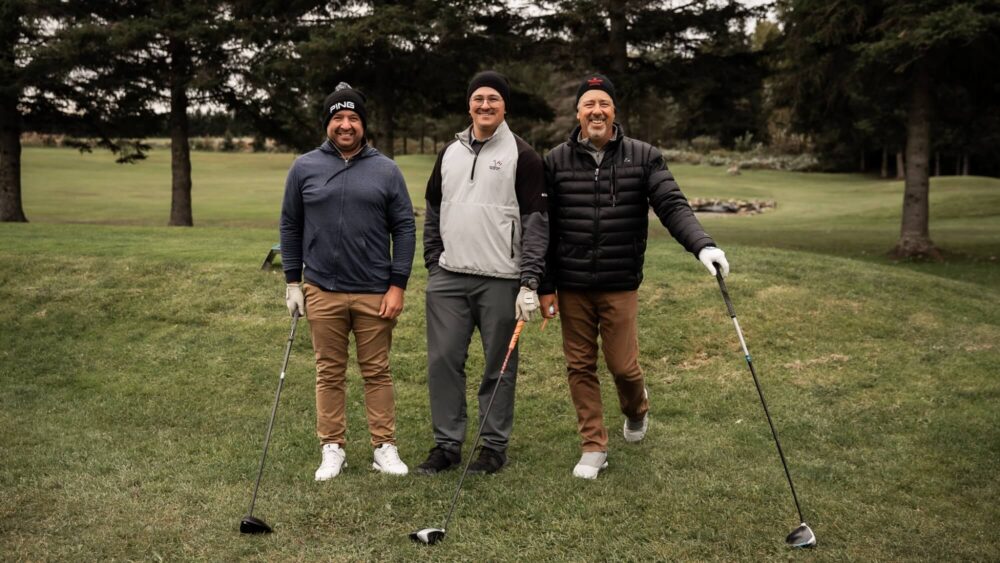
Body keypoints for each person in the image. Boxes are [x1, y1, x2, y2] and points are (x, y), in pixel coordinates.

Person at [538, 73, 730, 479]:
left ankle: (637, 408)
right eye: (589, 104)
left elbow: (672, 204)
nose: (596, 111)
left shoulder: (642, 156)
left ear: (614, 112)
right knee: (579, 365)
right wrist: (543, 283)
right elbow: (543, 226)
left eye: (603, 104)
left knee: (623, 367)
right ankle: (594, 445)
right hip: (572, 284)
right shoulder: (555, 160)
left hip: (619, 281)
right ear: (577, 113)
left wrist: (702, 245)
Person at [279, 82, 416, 480]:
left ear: (363, 124)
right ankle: (332, 446)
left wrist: (398, 285)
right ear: (327, 123)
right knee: (329, 371)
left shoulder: (386, 170)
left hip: (375, 290)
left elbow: (404, 229)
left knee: (377, 371)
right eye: (338, 117)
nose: (345, 124)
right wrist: (293, 282)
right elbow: (290, 224)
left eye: (353, 117)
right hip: (322, 288)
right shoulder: (304, 167)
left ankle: (383, 446)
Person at [416, 70, 549, 475]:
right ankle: (447, 445)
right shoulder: (450, 152)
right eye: (478, 98)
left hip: (502, 279)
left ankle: (492, 446)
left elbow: (537, 222)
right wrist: (433, 261)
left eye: (493, 98)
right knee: (442, 361)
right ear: (469, 104)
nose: (485, 105)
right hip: (450, 278)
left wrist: (529, 281)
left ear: (505, 105)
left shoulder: (523, 156)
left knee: (500, 366)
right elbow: (433, 209)